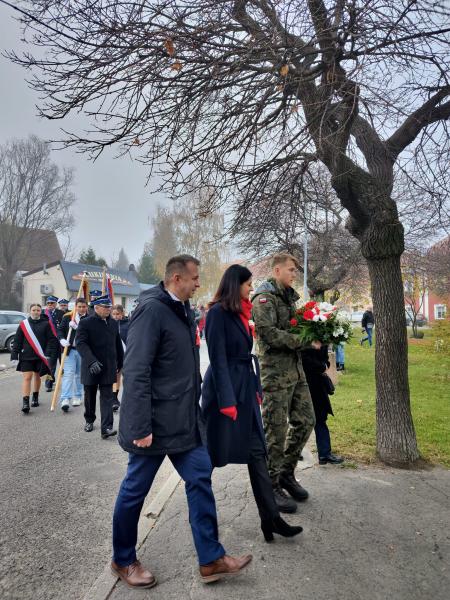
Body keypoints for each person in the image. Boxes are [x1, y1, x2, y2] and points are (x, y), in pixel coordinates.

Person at [112, 255, 252, 589]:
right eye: (195, 278)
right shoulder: (152, 310)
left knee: (200, 479)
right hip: (155, 424)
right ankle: (123, 559)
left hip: (185, 420)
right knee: (135, 490)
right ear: (177, 278)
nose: (199, 284)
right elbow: (136, 370)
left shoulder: (182, 309)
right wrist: (140, 426)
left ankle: (210, 558)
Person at [202, 264, 303, 543]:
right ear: (236, 285)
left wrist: (255, 388)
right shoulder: (217, 314)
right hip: (225, 396)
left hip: (244, 389)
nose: (251, 288)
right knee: (209, 456)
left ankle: (270, 519)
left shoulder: (240, 311)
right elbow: (218, 359)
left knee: (258, 453)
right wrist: (226, 400)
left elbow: (248, 356)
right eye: (248, 284)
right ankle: (201, 517)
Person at [252, 253, 320, 513]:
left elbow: (293, 327)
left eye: (295, 270)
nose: (295, 274)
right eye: (291, 270)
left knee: (306, 421)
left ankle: (286, 473)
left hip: (295, 371)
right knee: (276, 432)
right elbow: (268, 335)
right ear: (277, 270)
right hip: (275, 375)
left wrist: (316, 327)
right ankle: (270, 486)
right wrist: (305, 341)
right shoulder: (264, 298)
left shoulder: (289, 296)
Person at [76, 295, 124, 438]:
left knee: (107, 397)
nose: (109, 309)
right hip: (91, 366)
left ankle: (107, 428)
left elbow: (117, 344)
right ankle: (89, 420)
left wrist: (120, 362)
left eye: (109, 306)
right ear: (96, 308)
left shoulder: (114, 323)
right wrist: (91, 361)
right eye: (105, 307)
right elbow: (80, 343)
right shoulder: (86, 323)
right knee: (89, 396)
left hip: (108, 366)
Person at [10, 303, 58, 413]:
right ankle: (25, 402)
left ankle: (35, 397)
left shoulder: (46, 324)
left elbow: (51, 340)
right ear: (30, 311)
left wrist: (47, 353)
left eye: (38, 310)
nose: (36, 312)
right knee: (27, 377)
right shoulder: (23, 324)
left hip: (40, 356)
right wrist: (14, 355)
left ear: (41, 311)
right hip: (26, 356)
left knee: (37, 376)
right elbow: (17, 341)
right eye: (34, 310)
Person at [301, 345, 344, 465]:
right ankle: (295, 451)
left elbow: (325, 359)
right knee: (302, 421)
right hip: (304, 384)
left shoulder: (321, 336)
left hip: (318, 385)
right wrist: (321, 366)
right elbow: (304, 359)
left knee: (321, 418)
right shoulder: (303, 337)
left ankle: (324, 454)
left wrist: (324, 364)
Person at [57, 297, 88, 412]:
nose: (81, 309)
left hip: (83, 350)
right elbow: (59, 330)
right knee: (68, 374)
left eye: (83, 306)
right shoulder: (67, 317)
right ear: (75, 307)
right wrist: (61, 340)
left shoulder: (90, 318)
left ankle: (78, 396)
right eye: (79, 306)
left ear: (86, 307)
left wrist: (78, 328)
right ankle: (65, 398)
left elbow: (90, 334)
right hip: (69, 350)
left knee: (79, 374)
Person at [42, 295, 63, 392]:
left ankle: (66, 381)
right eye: (48, 303)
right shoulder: (43, 314)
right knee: (51, 365)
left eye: (52, 303)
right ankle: (49, 383)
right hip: (51, 344)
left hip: (61, 342)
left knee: (64, 364)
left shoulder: (61, 313)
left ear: (55, 304)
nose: (50, 305)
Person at [111, 304, 129, 411]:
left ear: (122, 313)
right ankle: (114, 399)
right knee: (116, 377)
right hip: (115, 355)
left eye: (118, 314)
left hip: (127, 355)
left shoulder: (128, 324)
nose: (115, 316)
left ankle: (127, 398)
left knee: (126, 378)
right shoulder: (109, 324)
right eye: (113, 314)